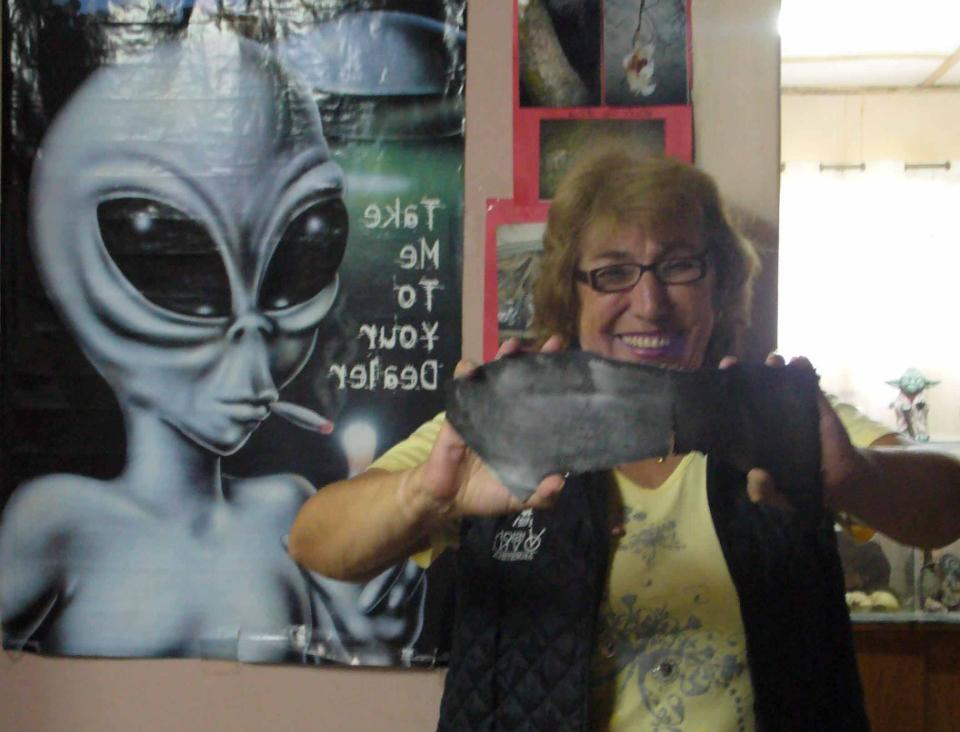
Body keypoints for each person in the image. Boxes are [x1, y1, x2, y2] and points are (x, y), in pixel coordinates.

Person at [289, 152, 960, 730]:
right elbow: (314, 539)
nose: (650, 303)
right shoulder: (503, 420)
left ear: (719, 285)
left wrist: (858, 477)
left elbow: (949, 502)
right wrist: (426, 496)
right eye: (613, 271)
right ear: (571, 294)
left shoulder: (778, 416)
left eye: (679, 266)